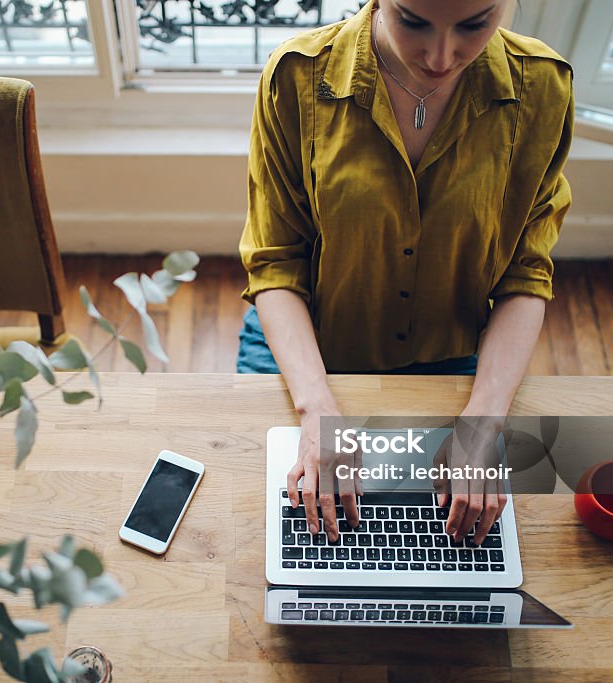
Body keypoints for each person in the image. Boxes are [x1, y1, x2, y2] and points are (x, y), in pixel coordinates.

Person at [238, 0, 574, 547]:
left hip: (457, 360)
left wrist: (483, 420)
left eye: (474, 24)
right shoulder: (297, 77)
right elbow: (275, 262)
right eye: (413, 21)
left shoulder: (544, 88)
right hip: (309, 352)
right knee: (263, 532)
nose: (442, 57)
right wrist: (317, 407)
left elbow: (525, 271)